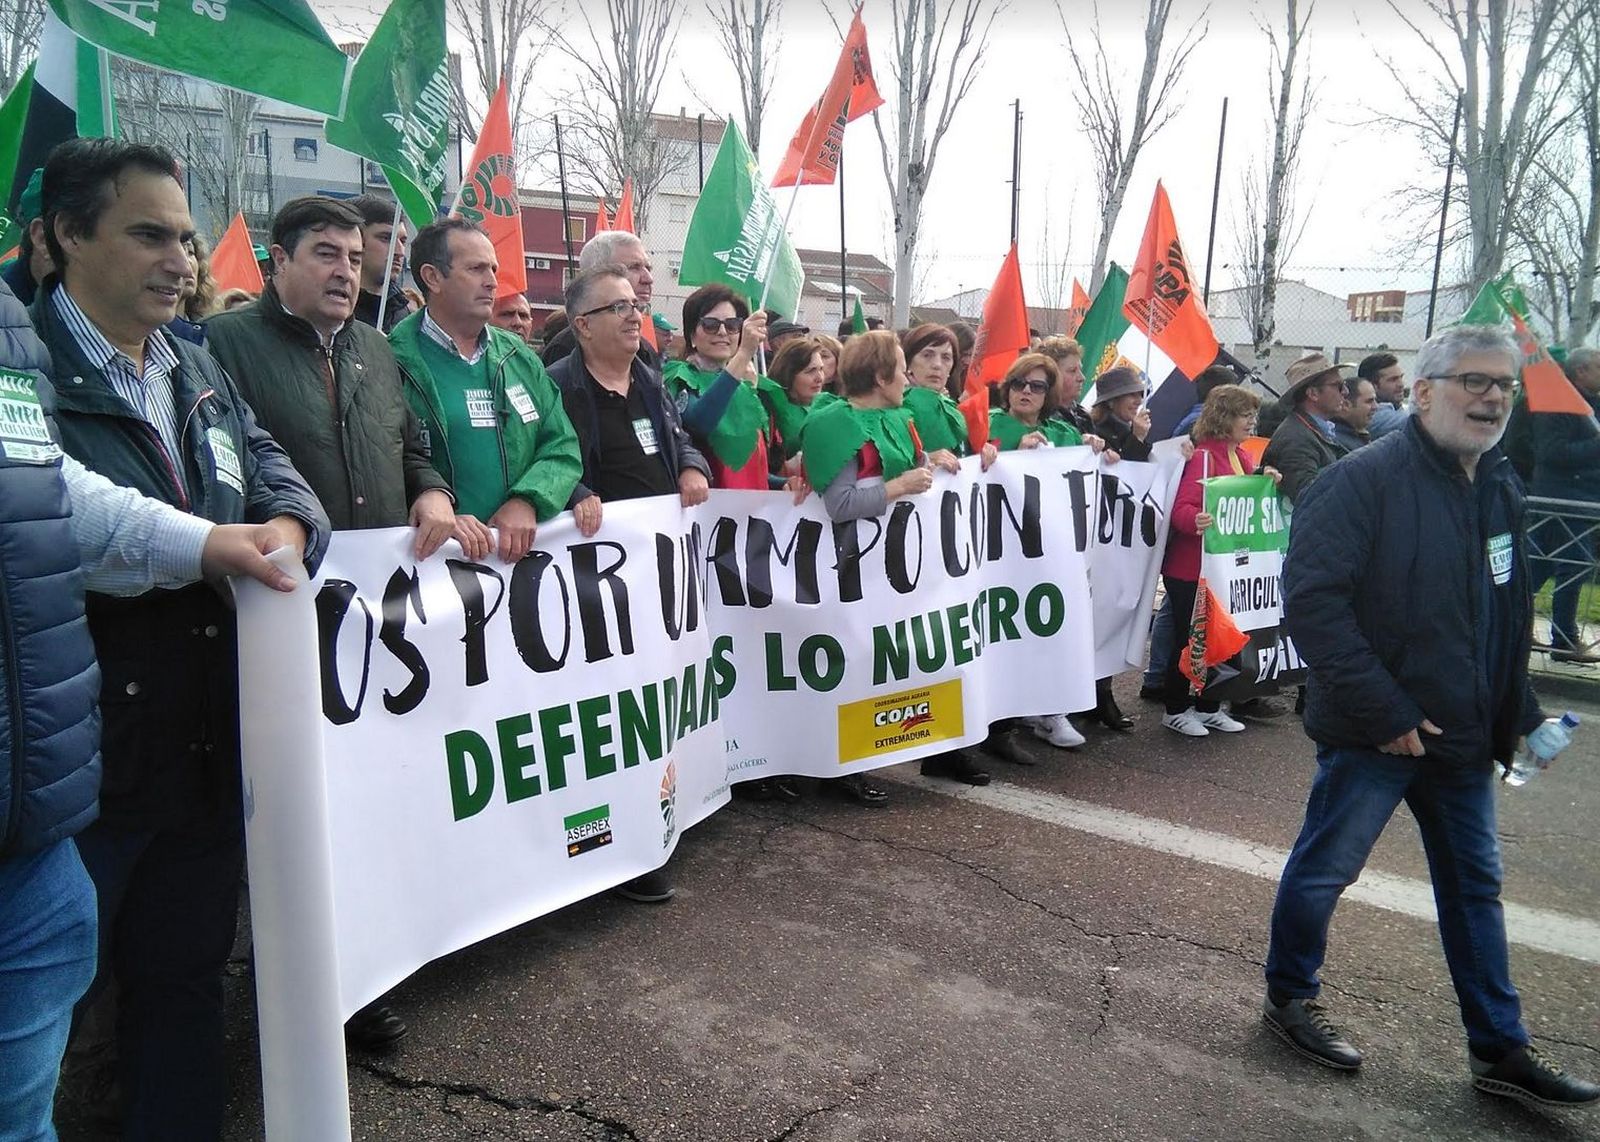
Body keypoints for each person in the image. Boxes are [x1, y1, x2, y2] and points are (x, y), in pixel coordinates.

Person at [32, 137, 330, 1139]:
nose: (180, 260)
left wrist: (287, 528)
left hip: (202, 748)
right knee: (47, 1012)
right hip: (81, 762)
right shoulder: (23, 367)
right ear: (68, 235)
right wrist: (207, 545)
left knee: (185, 984)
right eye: (149, 235)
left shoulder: (195, 365)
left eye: (188, 239)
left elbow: (271, 466)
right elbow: (48, 512)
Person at [1262, 325, 1600, 1109]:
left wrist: (1521, 711)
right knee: (1326, 870)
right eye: (1473, 381)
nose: (1492, 398)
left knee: (1475, 890)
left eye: (1504, 385)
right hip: (1376, 735)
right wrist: (1385, 711)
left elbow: (1502, 613)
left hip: (1463, 739)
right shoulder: (1358, 482)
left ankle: (1499, 1048)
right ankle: (1289, 997)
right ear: (1421, 392)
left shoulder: (1501, 484)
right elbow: (1313, 605)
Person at [547, 264, 710, 897]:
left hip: (656, 577)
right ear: (582, 326)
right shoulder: (559, 385)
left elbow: (679, 436)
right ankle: (618, 847)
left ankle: (658, 820)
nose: (631, 315)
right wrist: (576, 492)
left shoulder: (648, 377)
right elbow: (546, 456)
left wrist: (691, 466)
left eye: (632, 305)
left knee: (653, 704)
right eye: (616, 307)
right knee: (608, 711)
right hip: (593, 585)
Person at [207, 196, 471, 562]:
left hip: (379, 580)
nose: (345, 272)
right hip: (280, 576)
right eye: (327, 255)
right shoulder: (219, 344)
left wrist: (431, 491)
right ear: (280, 260)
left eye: (355, 259)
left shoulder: (377, 349)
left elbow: (407, 450)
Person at [801, 330, 970, 789]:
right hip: (849, 569)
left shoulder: (899, 417)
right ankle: (841, 768)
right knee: (852, 664)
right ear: (880, 377)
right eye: (899, 368)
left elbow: (911, 464)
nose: (906, 378)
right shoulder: (839, 424)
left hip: (889, 568)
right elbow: (839, 504)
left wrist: (930, 460)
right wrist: (899, 487)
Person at [390, 218, 582, 564]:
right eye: (476, 269)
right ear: (433, 277)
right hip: (435, 567)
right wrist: (433, 504)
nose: (493, 281)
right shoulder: (392, 360)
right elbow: (383, 462)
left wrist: (528, 500)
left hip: (519, 568)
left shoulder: (520, 357)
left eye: (493, 269)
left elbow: (562, 445)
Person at [1160, 384, 1278, 736]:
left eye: (1253, 415)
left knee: (1221, 639)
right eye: (1245, 415)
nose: (1252, 421)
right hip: (1190, 569)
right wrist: (1194, 520)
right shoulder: (1202, 458)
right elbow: (1180, 508)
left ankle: (1209, 706)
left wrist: (1264, 480)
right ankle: (1175, 708)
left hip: (1224, 569)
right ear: (1224, 418)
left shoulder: (1242, 457)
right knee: (1189, 640)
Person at [663, 284, 777, 490]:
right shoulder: (678, 374)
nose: (723, 332)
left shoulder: (745, 385)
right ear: (692, 335)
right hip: (704, 502)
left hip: (749, 506)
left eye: (732, 325)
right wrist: (743, 355)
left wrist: (786, 485)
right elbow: (699, 423)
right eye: (710, 325)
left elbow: (750, 468)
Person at [1528, 347, 1600, 662]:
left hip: (1582, 499)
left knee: (1536, 568)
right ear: (1581, 371)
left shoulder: (1591, 404)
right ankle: (1564, 640)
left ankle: (1507, 621)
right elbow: (1552, 452)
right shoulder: (1558, 404)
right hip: (1563, 500)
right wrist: (1596, 446)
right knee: (1574, 565)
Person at [543, 230, 657, 368]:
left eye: (648, 268)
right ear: (596, 274)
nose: (648, 279)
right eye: (634, 267)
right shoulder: (565, 349)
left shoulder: (645, 351)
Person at [1260, 353, 1353, 507]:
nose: (1346, 391)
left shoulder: (1310, 430)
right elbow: (1309, 498)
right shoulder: (1295, 439)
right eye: (1338, 386)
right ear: (1313, 394)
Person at [348, 192, 413, 332]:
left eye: (403, 241)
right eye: (386, 238)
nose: (400, 252)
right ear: (355, 240)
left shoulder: (406, 317)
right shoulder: (333, 314)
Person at [1088, 366, 1154, 461]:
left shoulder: (1131, 430)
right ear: (1111, 401)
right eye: (1132, 394)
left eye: (1140, 395)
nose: (1139, 401)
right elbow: (1123, 467)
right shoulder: (1095, 436)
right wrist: (1137, 438)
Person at [1169, 364, 1238, 440]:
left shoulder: (1203, 423)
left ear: (1215, 388)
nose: (1197, 380)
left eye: (1204, 377)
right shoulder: (1200, 415)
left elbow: (1178, 445)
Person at [1360, 351, 1409, 439]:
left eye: (1401, 377)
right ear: (1372, 386)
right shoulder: (1373, 417)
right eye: (1393, 380)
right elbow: (1419, 421)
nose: (1401, 384)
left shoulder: (1397, 409)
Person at [1330, 375, 1379, 452]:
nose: (1375, 407)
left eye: (1375, 400)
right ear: (1346, 405)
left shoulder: (1355, 437)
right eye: (1369, 401)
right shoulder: (1339, 444)